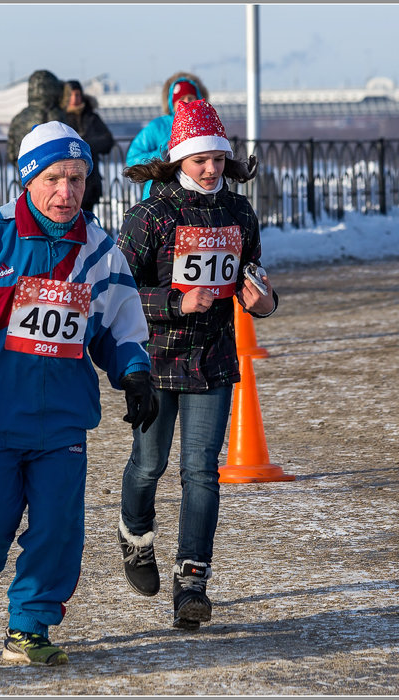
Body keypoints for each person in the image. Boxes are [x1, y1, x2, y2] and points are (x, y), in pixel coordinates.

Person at [0, 121, 158, 666]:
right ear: (28, 180)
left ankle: (29, 627)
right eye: (55, 179)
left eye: (78, 179)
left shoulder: (101, 251)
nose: (67, 193)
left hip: (62, 423)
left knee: (57, 534)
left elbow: (121, 328)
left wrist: (135, 374)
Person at [115, 99, 278, 631]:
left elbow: (255, 279)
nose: (211, 169)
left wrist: (263, 302)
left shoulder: (239, 213)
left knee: (201, 471)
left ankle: (193, 582)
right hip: (156, 359)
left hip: (212, 360)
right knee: (148, 465)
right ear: (179, 159)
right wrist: (174, 304)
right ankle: (136, 536)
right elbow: (115, 296)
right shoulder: (150, 216)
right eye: (199, 159)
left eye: (217, 159)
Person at [125, 71, 209, 200]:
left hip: (197, 194)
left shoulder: (207, 125)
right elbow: (132, 158)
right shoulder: (158, 126)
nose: (186, 102)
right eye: (181, 99)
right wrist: (164, 154)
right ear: (172, 103)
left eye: (191, 98)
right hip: (160, 195)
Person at [61, 80, 114, 214]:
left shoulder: (91, 117)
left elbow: (108, 141)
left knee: (87, 222)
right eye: (71, 95)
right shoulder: (61, 118)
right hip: (67, 181)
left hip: (91, 181)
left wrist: (84, 145)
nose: (74, 99)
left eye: (77, 94)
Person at [6, 70, 67, 167]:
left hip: (27, 173)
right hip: (57, 173)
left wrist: (25, 168)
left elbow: (11, 153)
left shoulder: (19, 118)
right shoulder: (60, 116)